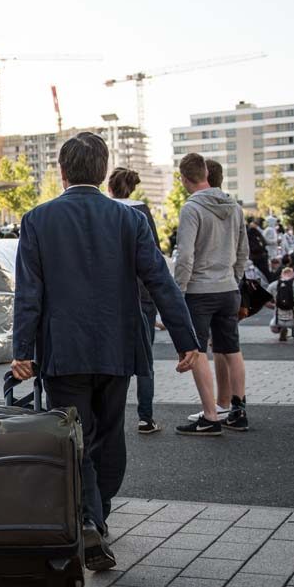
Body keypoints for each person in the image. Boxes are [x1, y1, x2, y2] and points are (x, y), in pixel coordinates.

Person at [12, 133, 198, 572]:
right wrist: (187, 340)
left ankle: (88, 518)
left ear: (61, 171)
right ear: (103, 171)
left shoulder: (37, 220)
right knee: (110, 434)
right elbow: (160, 281)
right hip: (118, 346)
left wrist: (22, 350)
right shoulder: (129, 219)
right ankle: (99, 513)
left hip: (63, 351)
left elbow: (29, 293)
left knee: (73, 436)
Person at [173, 152, 250, 436]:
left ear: (184, 179)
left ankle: (210, 415)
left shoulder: (191, 208)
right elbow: (243, 250)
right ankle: (238, 412)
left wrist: (178, 291)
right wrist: (234, 278)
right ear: (206, 173)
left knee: (196, 352)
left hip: (199, 290)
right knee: (231, 349)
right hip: (228, 287)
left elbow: (185, 257)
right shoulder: (234, 207)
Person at [107, 167, 161, 434]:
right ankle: (146, 417)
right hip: (143, 294)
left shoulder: (106, 211)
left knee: (114, 356)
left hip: (112, 295)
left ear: (110, 188)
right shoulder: (142, 212)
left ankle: (111, 418)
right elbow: (154, 258)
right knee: (145, 357)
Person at [246, 216, 272, 283]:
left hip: (261, 256)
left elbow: (263, 242)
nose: (255, 225)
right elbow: (252, 246)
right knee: (259, 274)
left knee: (265, 273)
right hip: (256, 257)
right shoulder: (249, 233)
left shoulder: (257, 232)